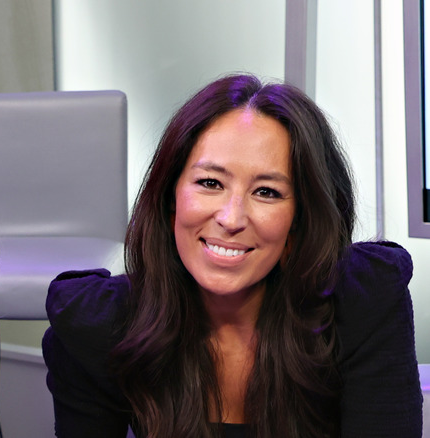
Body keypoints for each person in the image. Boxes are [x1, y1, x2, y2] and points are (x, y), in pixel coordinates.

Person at [43, 74, 423, 437]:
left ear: (301, 219)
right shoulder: (97, 324)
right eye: (210, 183)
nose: (231, 218)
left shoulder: (364, 301)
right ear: (169, 199)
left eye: (267, 192)